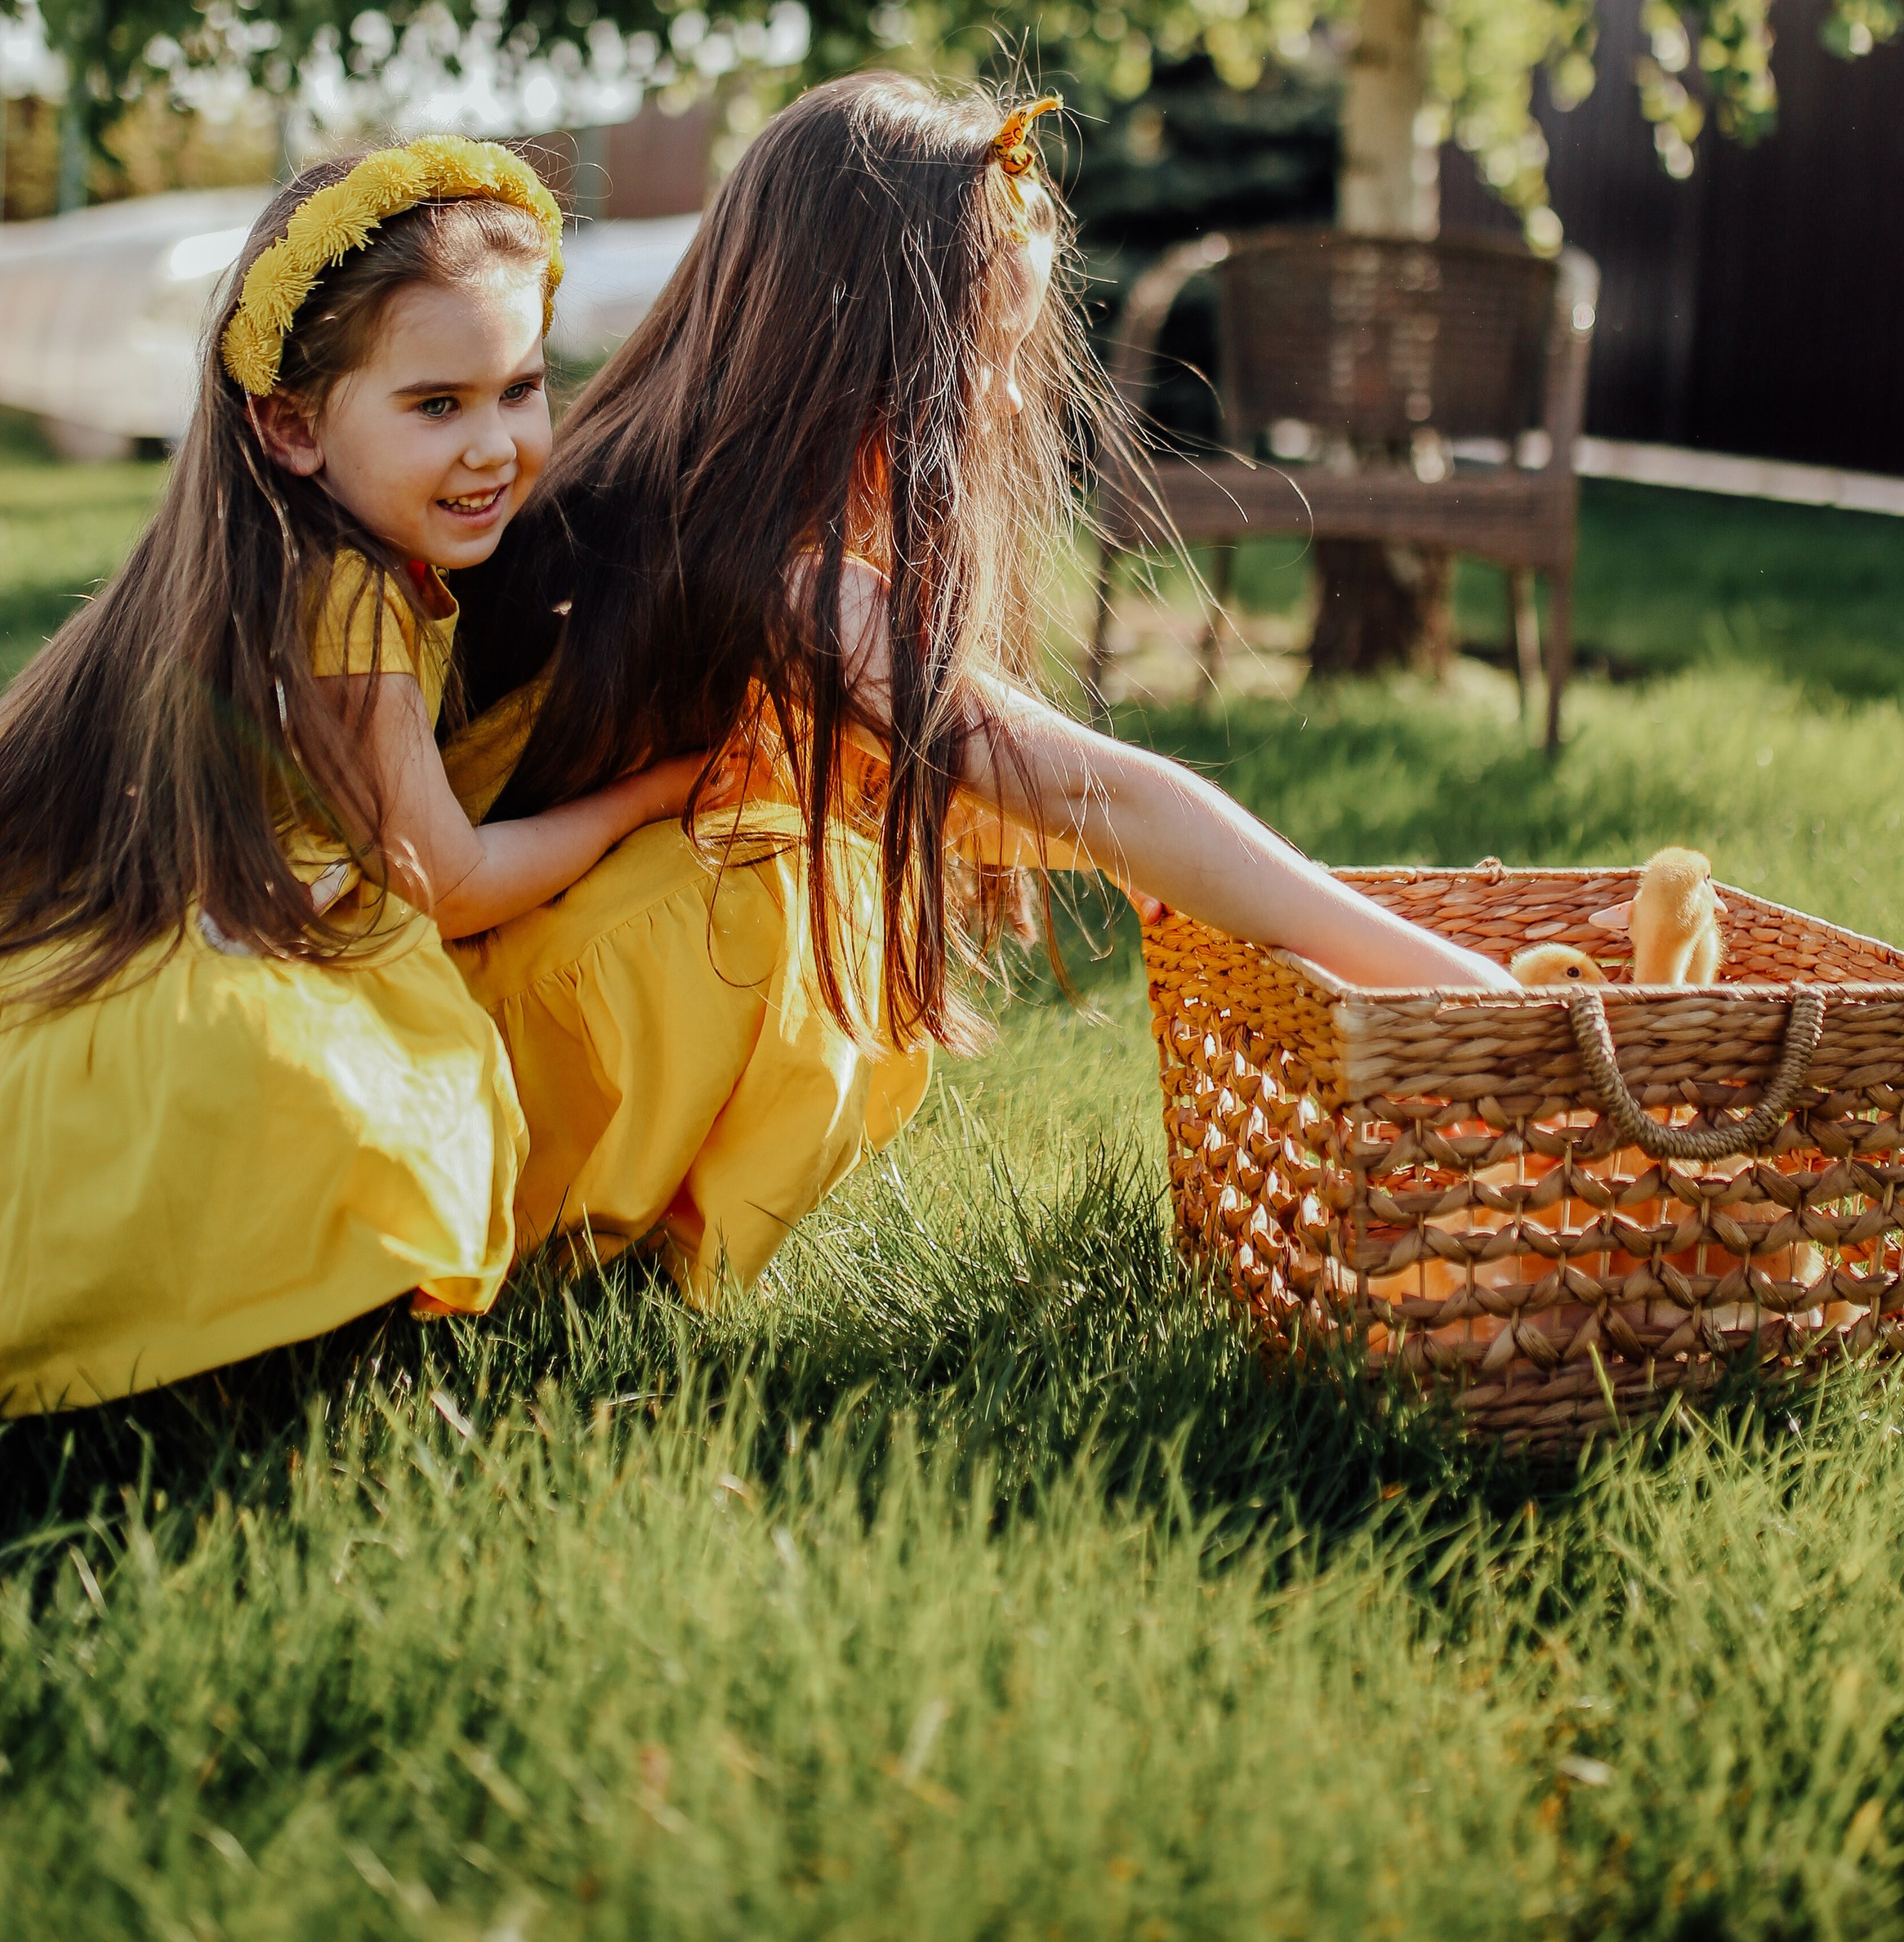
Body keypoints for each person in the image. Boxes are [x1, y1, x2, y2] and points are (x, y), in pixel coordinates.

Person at [444, 75, 1516, 1301]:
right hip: (489, 1061)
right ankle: (575, 1238)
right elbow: (1079, 784)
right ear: (862, 342)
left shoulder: (692, 495)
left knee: (809, 838)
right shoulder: (781, 578)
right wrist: (1458, 982)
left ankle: (609, 1226)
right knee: (773, 892)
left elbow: (978, 793)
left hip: (500, 1009)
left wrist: (1138, 861)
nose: (1007, 397)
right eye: (984, 352)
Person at [0, 137, 706, 1414]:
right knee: (371, 1100)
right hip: (222, 940)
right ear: (291, 427)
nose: (494, 445)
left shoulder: (333, 557)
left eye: (521, 388)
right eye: (438, 406)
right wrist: (646, 798)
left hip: (248, 905)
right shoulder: (347, 599)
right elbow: (447, 875)